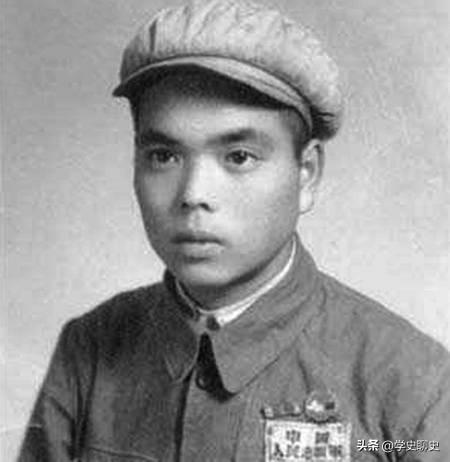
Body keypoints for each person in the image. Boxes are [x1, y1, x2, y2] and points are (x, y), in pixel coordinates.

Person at [18, 0, 449, 460]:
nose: (193, 194)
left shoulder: (413, 387)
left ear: (306, 175)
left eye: (239, 157)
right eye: (164, 156)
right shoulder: (88, 351)